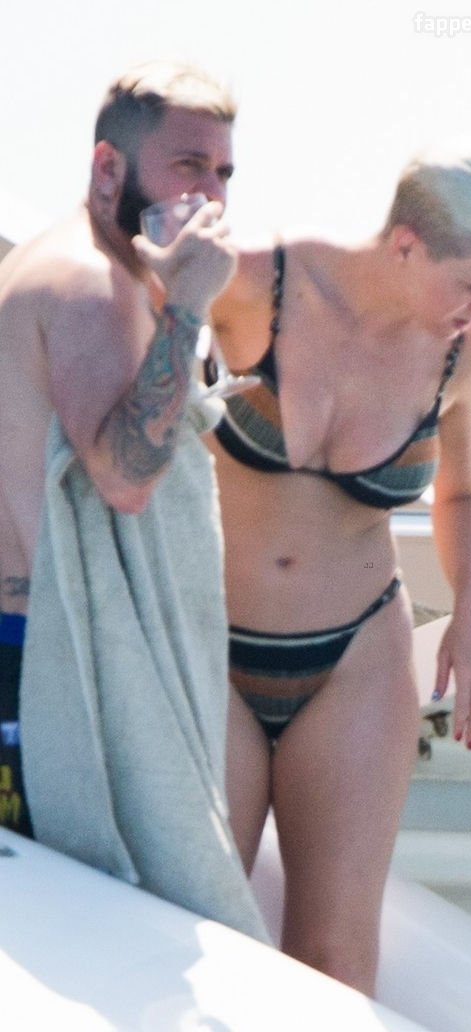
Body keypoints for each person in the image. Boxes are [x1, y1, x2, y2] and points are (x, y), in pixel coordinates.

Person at [205, 145, 471, 993]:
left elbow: (464, 493)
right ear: (405, 246)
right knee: (197, 929)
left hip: (353, 661)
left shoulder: (470, 358)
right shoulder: (254, 283)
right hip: (208, 646)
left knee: (335, 961)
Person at [0, 63, 238, 860]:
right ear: (108, 167)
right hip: (43, 668)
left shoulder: (58, 263)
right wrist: (190, 306)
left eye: (223, 173)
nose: (210, 196)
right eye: (188, 165)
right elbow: (125, 479)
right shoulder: (89, 285)